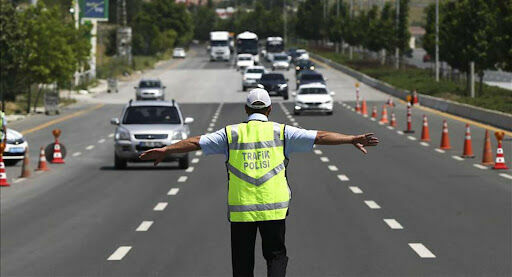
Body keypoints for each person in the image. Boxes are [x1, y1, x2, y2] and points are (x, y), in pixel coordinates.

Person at [140, 88, 379, 277]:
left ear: (246, 109)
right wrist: (351, 138)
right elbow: (320, 136)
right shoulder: (282, 132)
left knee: (242, 264)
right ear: (270, 109)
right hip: (274, 208)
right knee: (276, 257)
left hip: (241, 210)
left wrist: (166, 150)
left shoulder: (230, 134)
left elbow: (195, 142)